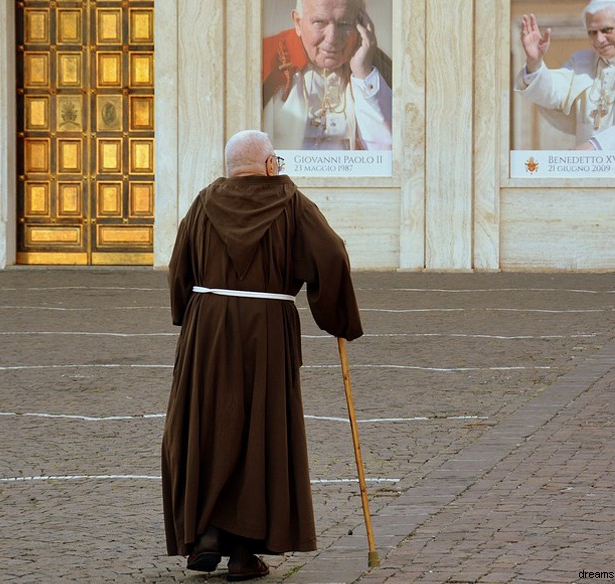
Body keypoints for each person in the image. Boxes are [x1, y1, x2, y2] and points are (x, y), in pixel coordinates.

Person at [162, 130, 363, 581]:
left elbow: (180, 266)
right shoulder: (290, 202)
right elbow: (331, 255)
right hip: (265, 330)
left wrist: (187, 314)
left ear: (232, 165)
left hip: (209, 328)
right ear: (270, 163)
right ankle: (241, 554)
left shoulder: (204, 201)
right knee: (258, 431)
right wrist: (338, 318)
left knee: (208, 424)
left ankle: (207, 533)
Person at [514, 0, 615, 150]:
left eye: (607, 30)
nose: (599, 40)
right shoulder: (581, 61)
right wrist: (534, 62)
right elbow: (552, 92)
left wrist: (598, 145)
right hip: (586, 169)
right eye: (592, 32)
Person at [262, 0, 392, 150]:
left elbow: (388, 152)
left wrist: (363, 74)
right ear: (298, 22)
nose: (332, 38)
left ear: (361, 23)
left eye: (344, 23)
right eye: (319, 22)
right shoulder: (263, 57)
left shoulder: (376, 65)